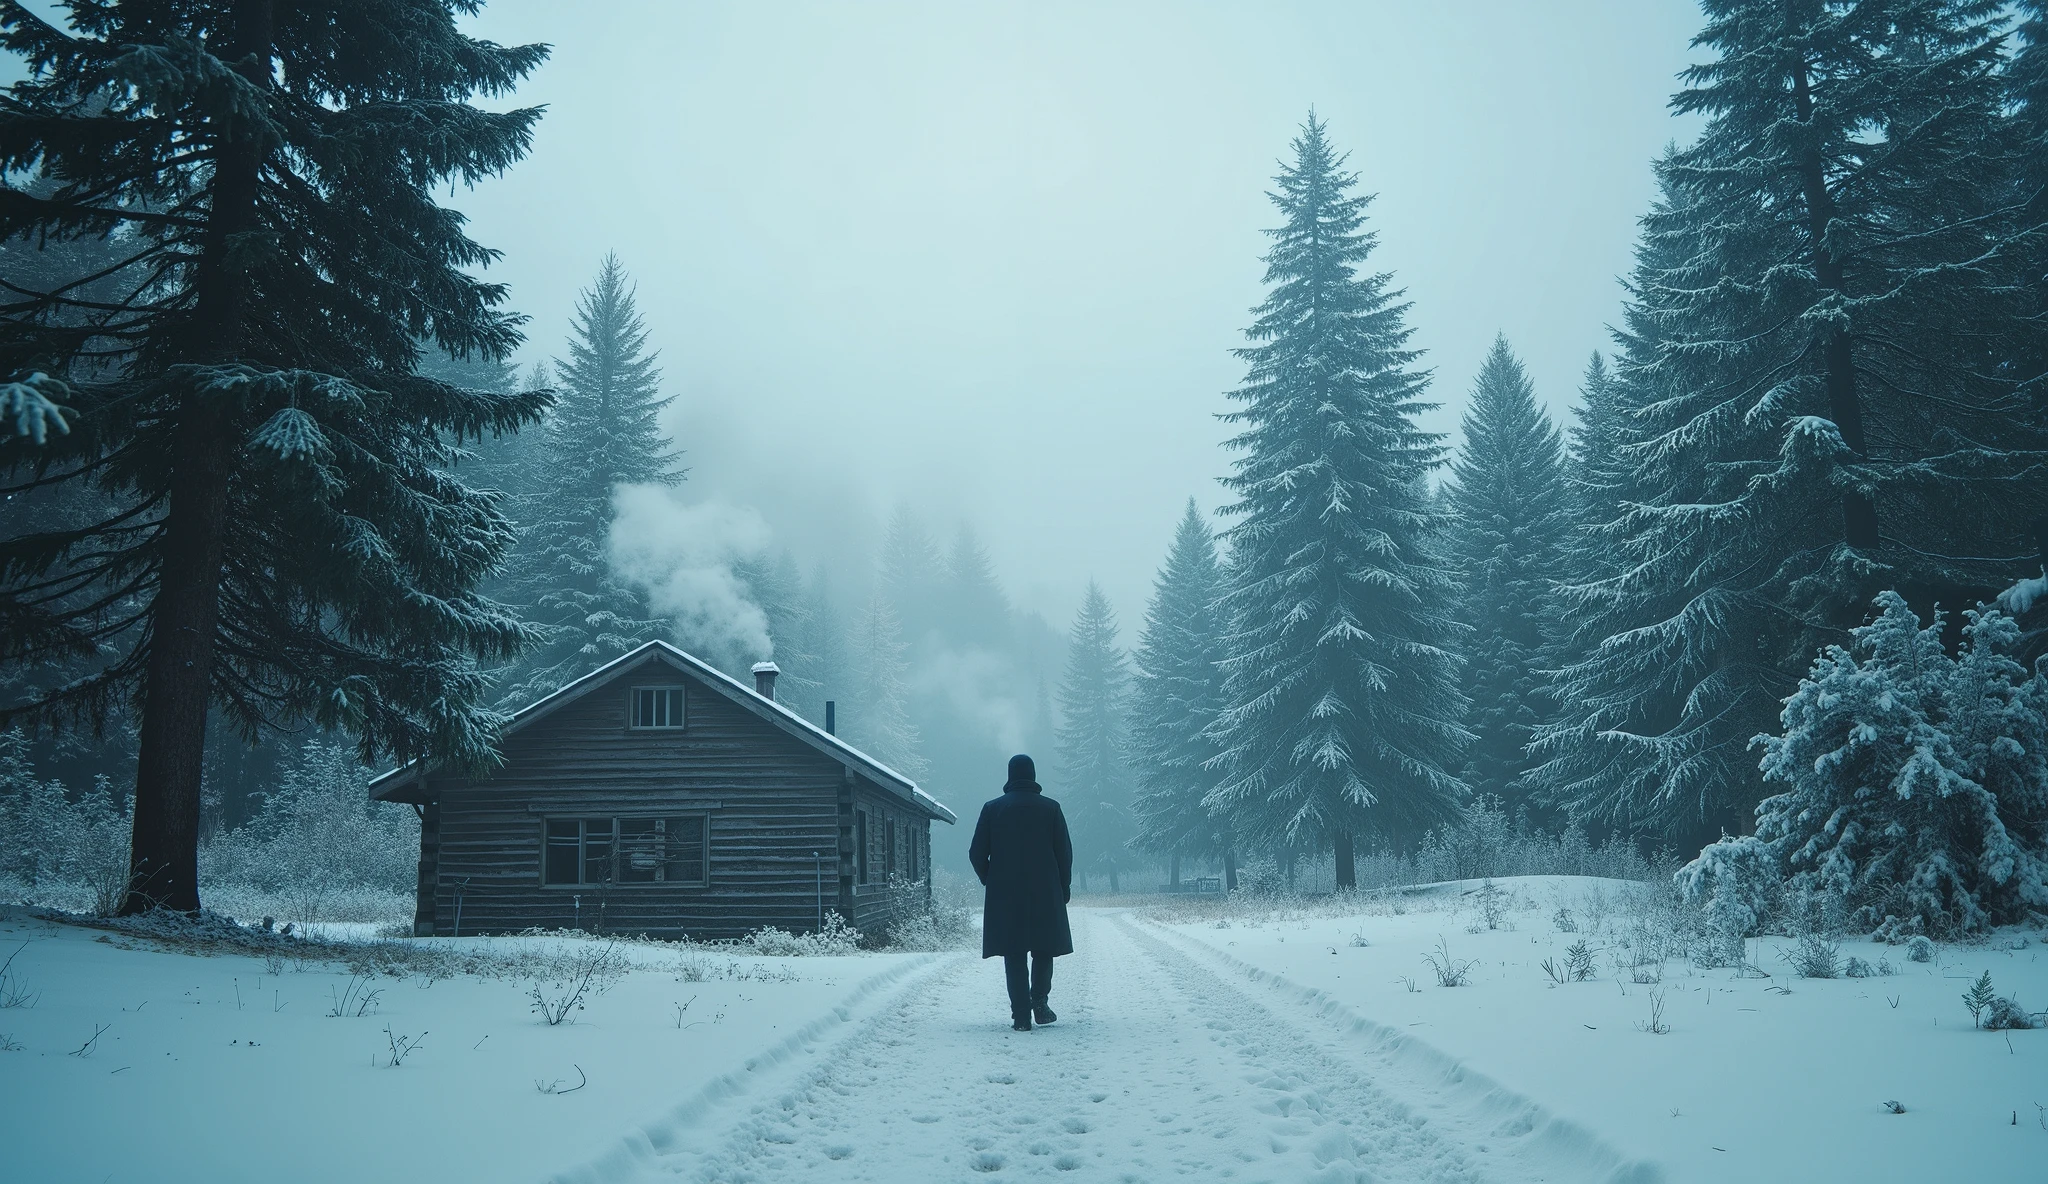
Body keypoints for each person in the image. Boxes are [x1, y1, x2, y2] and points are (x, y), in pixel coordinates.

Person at [967, 753, 1074, 1031]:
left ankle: (1021, 1016)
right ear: (1033, 775)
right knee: (1044, 947)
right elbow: (1064, 854)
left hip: (1005, 894)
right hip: (1045, 891)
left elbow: (976, 852)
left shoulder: (993, 809)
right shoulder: (1051, 809)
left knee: (1013, 952)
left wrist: (990, 878)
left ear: (1010, 775)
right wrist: (1063, 887)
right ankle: (1040, 1002)